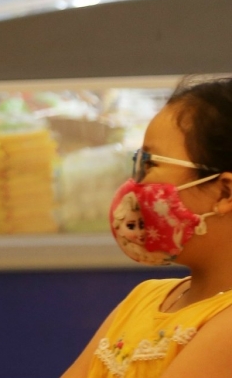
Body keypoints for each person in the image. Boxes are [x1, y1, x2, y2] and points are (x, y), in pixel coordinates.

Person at [62, 78, 232, 378]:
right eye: (137, 163)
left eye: (149, 164)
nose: (135, 185)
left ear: (224, 193)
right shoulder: (146, 298)